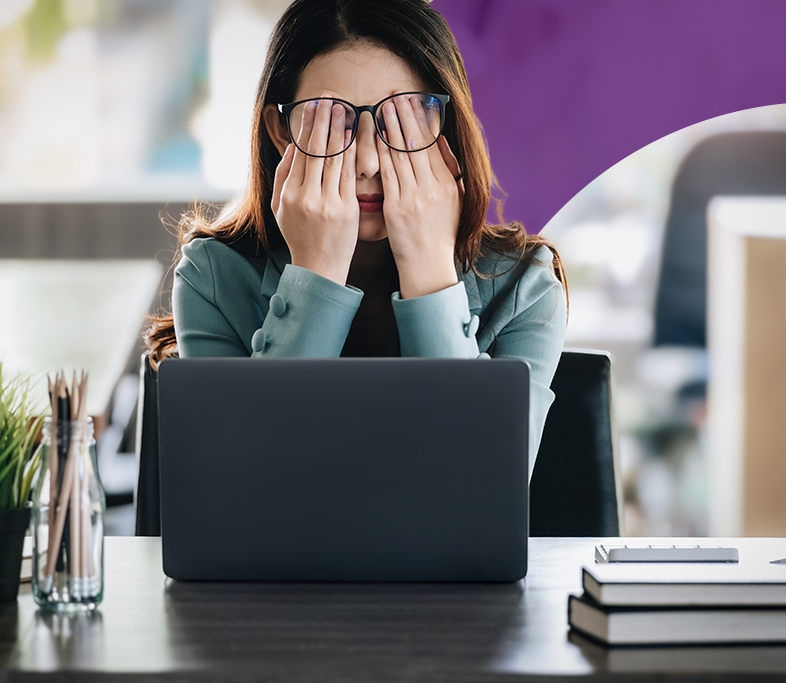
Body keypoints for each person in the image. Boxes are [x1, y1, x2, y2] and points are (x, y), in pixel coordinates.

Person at [146, 0, 567, 475]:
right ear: (281, 133)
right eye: (333, 122)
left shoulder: (525, 289)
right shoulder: (213, 277)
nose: (367, 161)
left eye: (399, 122)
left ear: (443, 130)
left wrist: (429, 267)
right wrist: (315, 273)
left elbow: (483, 480)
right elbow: (244, 479)